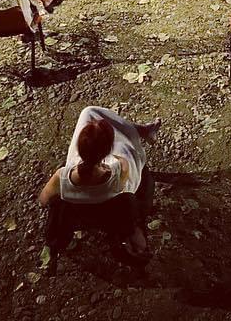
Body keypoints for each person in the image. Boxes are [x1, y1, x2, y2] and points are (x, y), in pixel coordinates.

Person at [38, 106, 162, 259]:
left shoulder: (62, 176)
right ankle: (139, 131)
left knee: (88, 112)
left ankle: (139, 130)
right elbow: (122, 188)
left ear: (79, 148)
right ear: (106, 152)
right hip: (111, 213)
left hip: (78, 216)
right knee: (126, 148)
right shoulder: (120, 168)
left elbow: (43, 200)